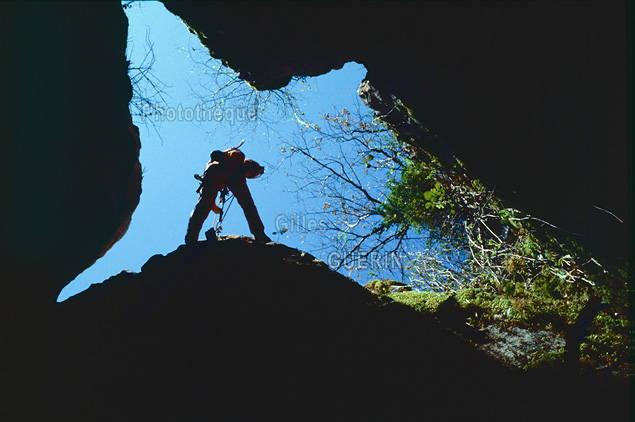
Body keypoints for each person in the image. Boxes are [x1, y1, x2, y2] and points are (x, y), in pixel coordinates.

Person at [185, 147, 271, 244]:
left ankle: (190, 238)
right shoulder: (238, 156)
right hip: (225, 172)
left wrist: (217, 210)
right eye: (250, 171)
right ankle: (259, 233)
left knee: (203, 206)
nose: (249, 171)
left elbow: (206, 203)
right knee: (247, 202)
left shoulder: (235, 159)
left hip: (214, 173)